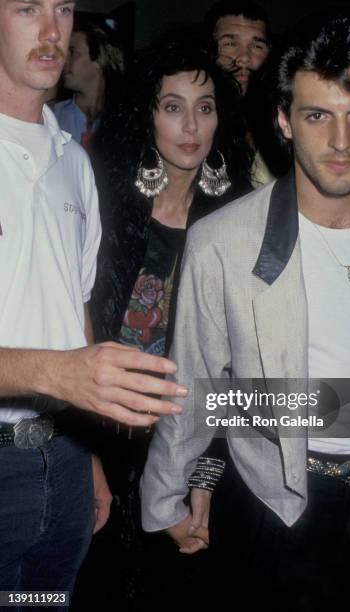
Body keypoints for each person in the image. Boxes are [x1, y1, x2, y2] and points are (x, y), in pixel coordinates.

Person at [141, 10, 350, 610]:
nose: (340, 142)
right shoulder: (222, 241)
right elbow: (197, 390)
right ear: (283, 120)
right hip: (268, 507)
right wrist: (163, 500)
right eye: (316, 116)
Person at [0, 0, 186, 599]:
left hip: (64, 464)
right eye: (28, 8)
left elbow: (73, 310)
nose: (53, 31)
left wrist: (88, 456)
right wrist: (60, 375)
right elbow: (67, 366)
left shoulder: (75, 162)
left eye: (63, 8)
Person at [69, 30, 251, 609]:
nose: (191, 128)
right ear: (148, 116)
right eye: (173, 108)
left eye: (205, 108)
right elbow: (78, 332)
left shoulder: (240, 220)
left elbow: (240, 371)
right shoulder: (104, 202)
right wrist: (89, 451)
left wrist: (202, 477)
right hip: (102, 442)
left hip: (199, 444)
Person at [204, 1, 279, 188]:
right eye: (230, 43)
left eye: (257, 46)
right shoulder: (194, 124)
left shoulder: (284, 122)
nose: (244, 57)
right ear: (209, 50)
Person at [53, 15, 124, 151]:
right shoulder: (53, 117)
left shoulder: (124, 119)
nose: (63, 61)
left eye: (73, 53)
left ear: (100, 58)